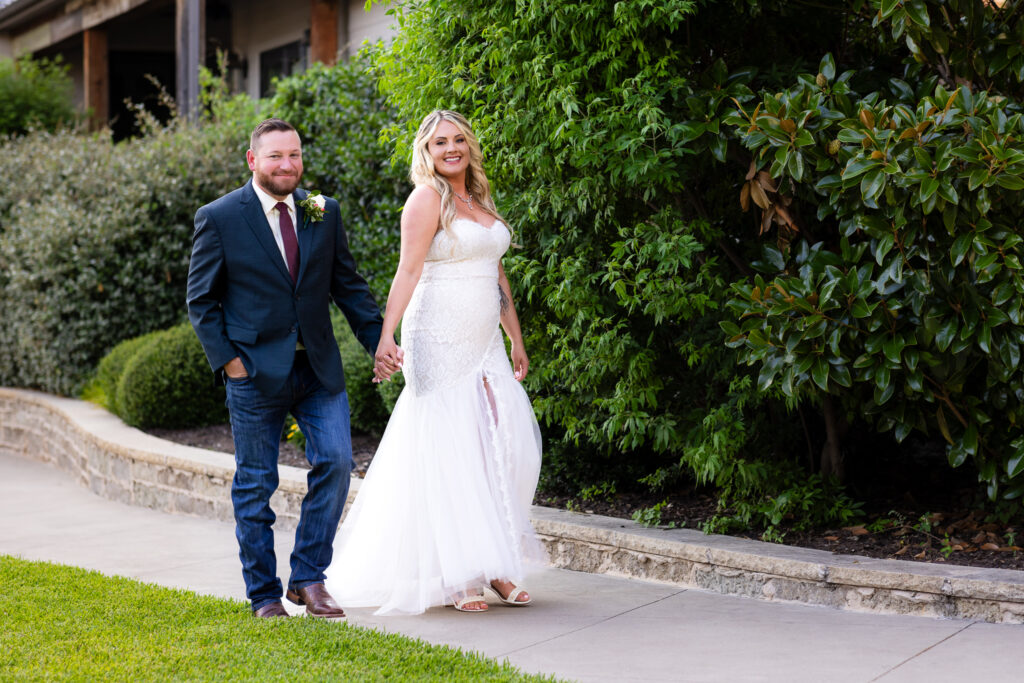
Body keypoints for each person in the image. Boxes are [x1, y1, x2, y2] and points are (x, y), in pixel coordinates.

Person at [324, 110, 547, 615]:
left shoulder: (479, 197)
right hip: (437, 336)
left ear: (469, 146)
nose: (452, 149)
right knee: (453, 447)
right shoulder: (427, 199)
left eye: (459, 140)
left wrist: (516, 339)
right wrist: (386, 336)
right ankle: (461, 573)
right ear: (426, 151)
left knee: (505, 441)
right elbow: (407, 271)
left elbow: (498, 274)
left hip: (484, 340)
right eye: (440, 142)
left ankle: (495, 561)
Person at [187, 118, 398, 619]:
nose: (288, 165)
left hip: (319, 370)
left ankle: (308, 577)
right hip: (254, 373)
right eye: (277, 156)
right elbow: (201, 300)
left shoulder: (323, 212)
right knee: (256, 484)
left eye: (295, 155)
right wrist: (231, 364)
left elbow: (347, 286)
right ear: (252, 159)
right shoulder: (219, 217)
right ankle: (263, 593)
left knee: (338, 464)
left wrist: (379, 343)